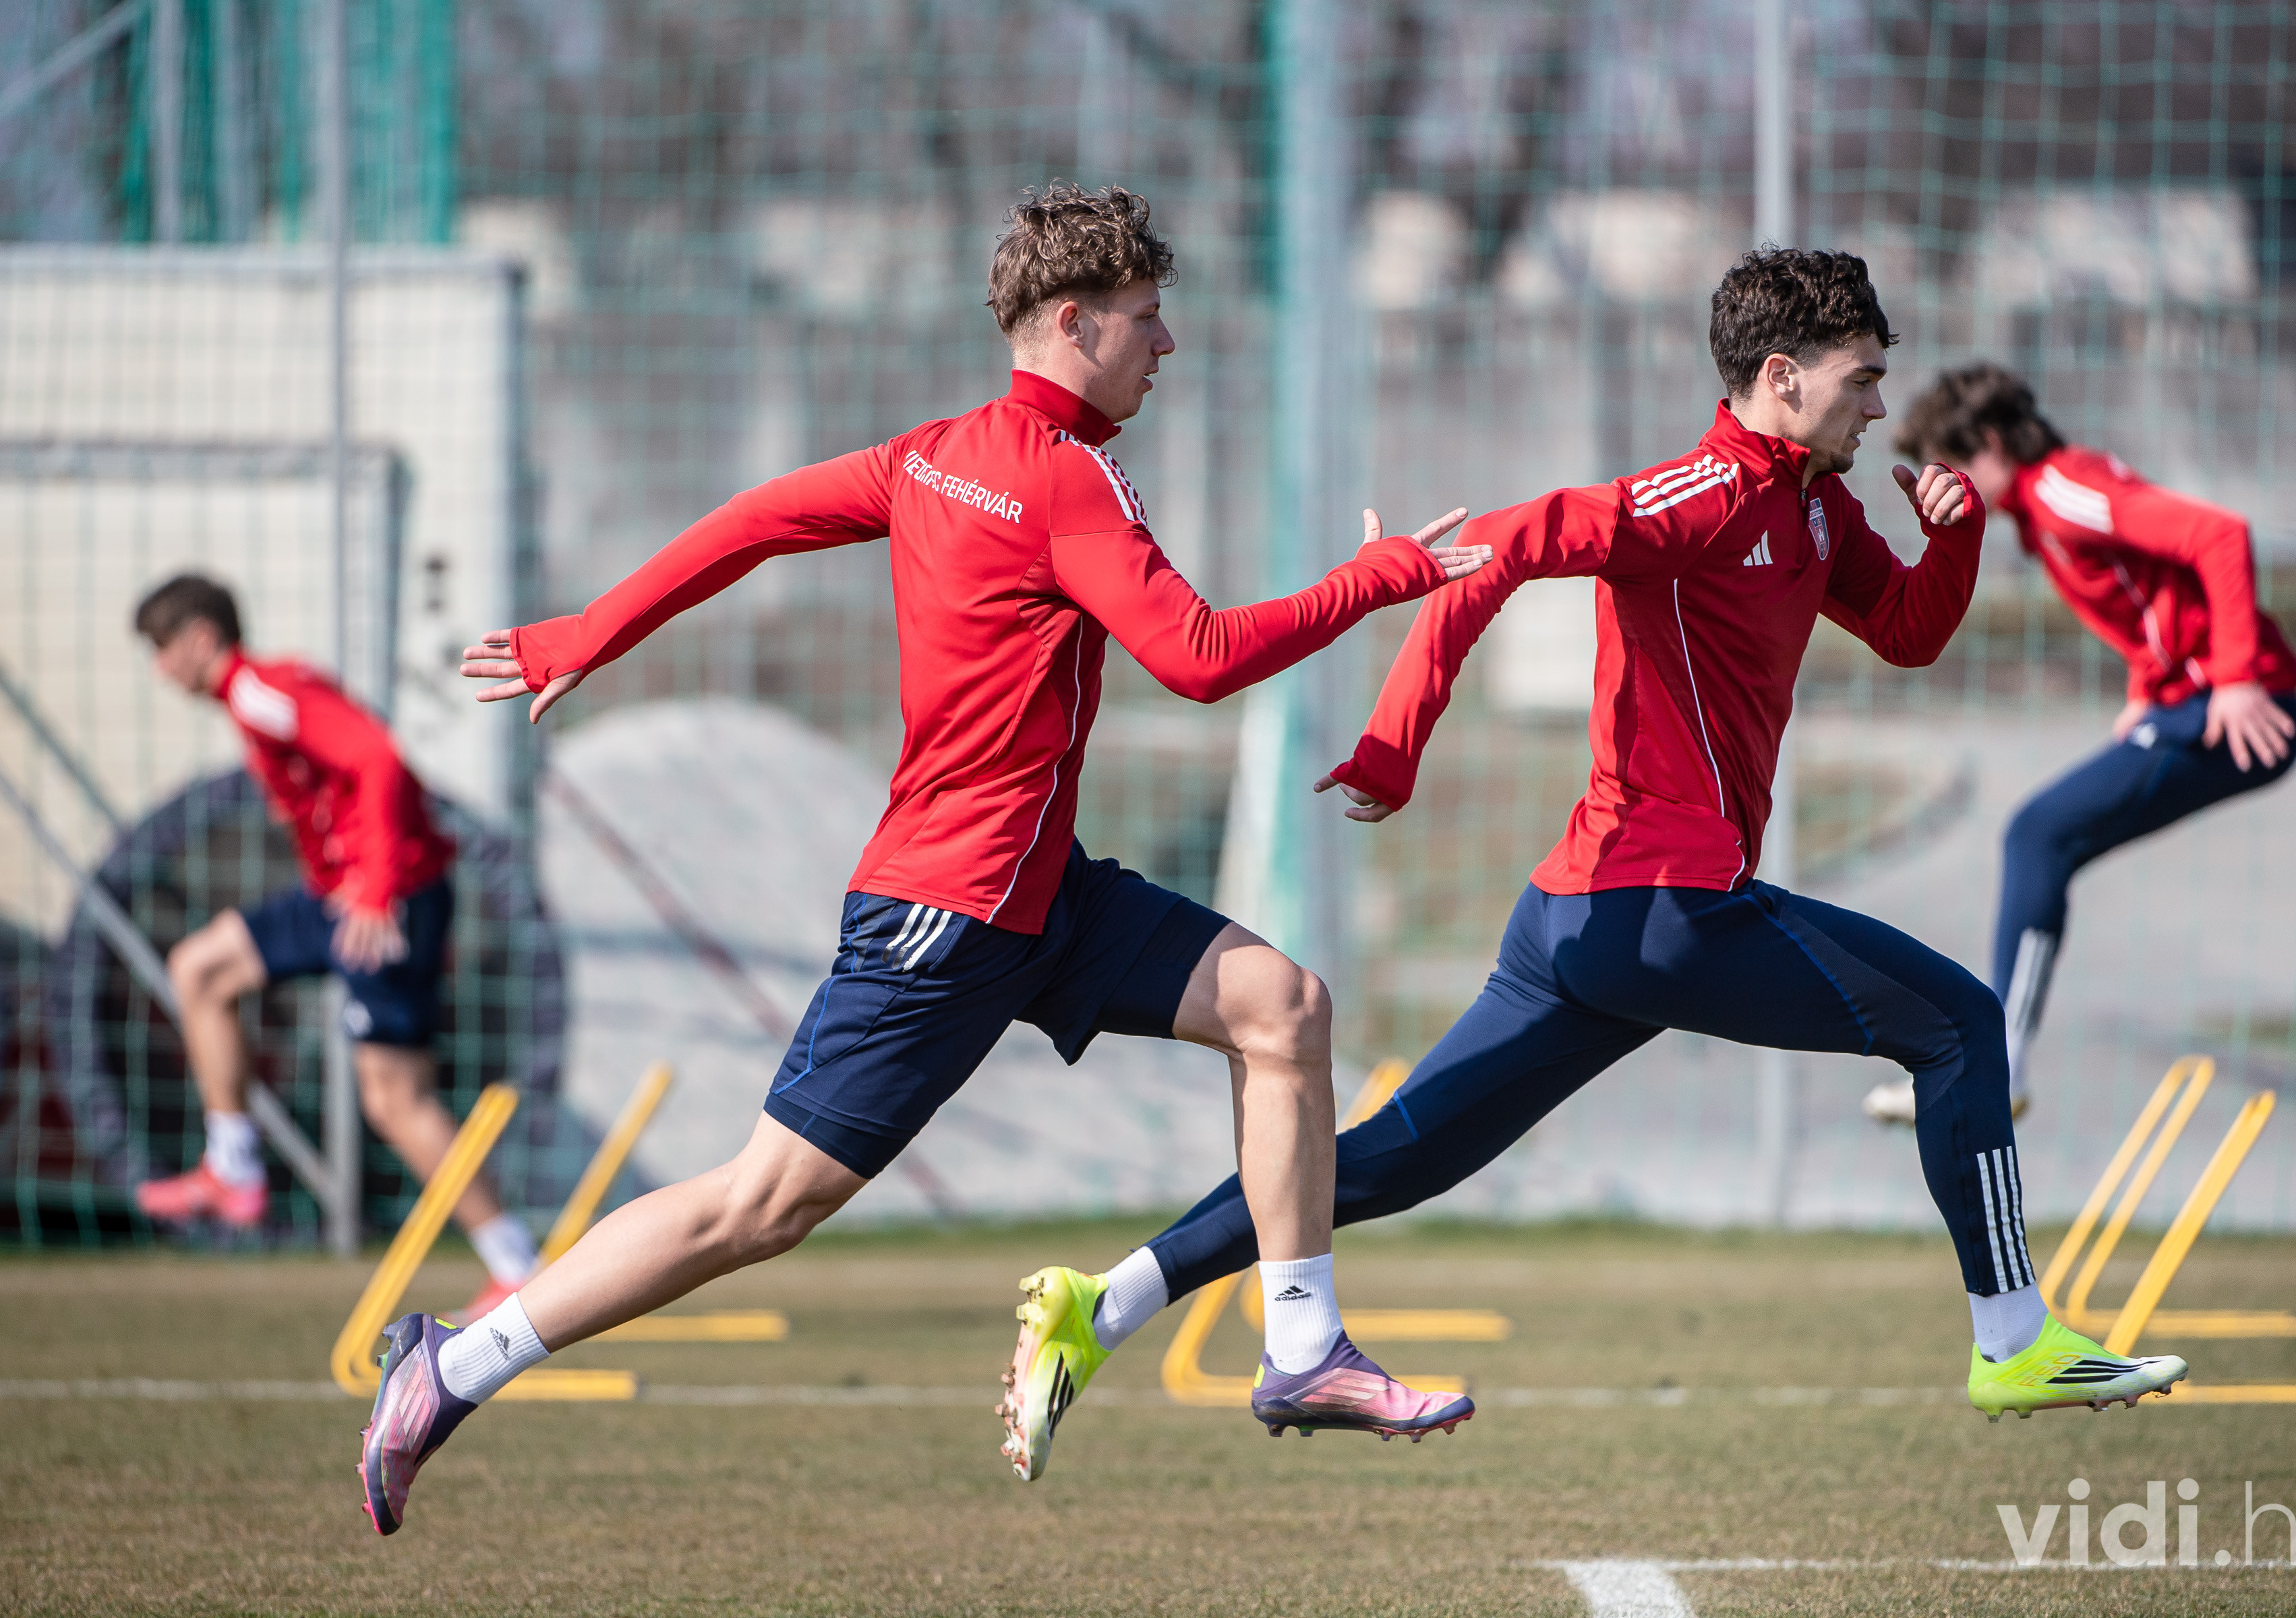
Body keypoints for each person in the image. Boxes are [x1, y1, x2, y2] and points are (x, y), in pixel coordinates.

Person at [355, 183, 1492, 1534]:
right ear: (1072, 324)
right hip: (948, 915)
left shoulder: (932, 455)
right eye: (1144, 317)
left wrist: (590, 632)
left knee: (1282, 1008)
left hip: (1038, 892)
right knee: (758, 1207)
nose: (1165, 343)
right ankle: (457, 1365)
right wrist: (1378, 581)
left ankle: (1302, 1346)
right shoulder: (1065, 476)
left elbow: (754, 518)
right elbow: (1196, 659)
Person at [1009, 248, 2189, 1447]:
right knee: (1962, 1023)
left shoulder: (1817, 508)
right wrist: (1396, 739)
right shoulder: (1698, 496)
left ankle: (1105, 1305)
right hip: (1660, 909)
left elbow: (1906, 632)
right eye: (1864, 380)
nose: (1880, 408)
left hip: (1584, 922)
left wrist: (1957, 540)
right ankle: (2014, 1337)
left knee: (1387, 1162)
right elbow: (1496, 548)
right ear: (1782, 377)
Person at [1860, 363, 2296, 1125]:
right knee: (2042, 837)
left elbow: (2218, 536)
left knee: (2039, 835)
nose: (1947, 486)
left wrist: (2237, 678)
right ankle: (1994, 1062)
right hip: (2190, 701)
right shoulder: (2040, 514)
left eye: (1953, 465)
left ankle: (1997, 1065)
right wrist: (2147, 690)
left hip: (2239, 708)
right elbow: (2151, 597)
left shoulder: (2063, 491)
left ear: (1992, 443)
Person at [131, 575, 538, 1318]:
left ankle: (516, 1266)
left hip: (386, 899)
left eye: (161, 650)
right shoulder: (253, 697)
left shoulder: (259, 690)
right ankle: (233, 1165)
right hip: (336, 896)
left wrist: (378, 890)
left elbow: (379, 758)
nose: (158, 670)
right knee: (200, 970)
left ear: (199, 638)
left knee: (395, 1099)